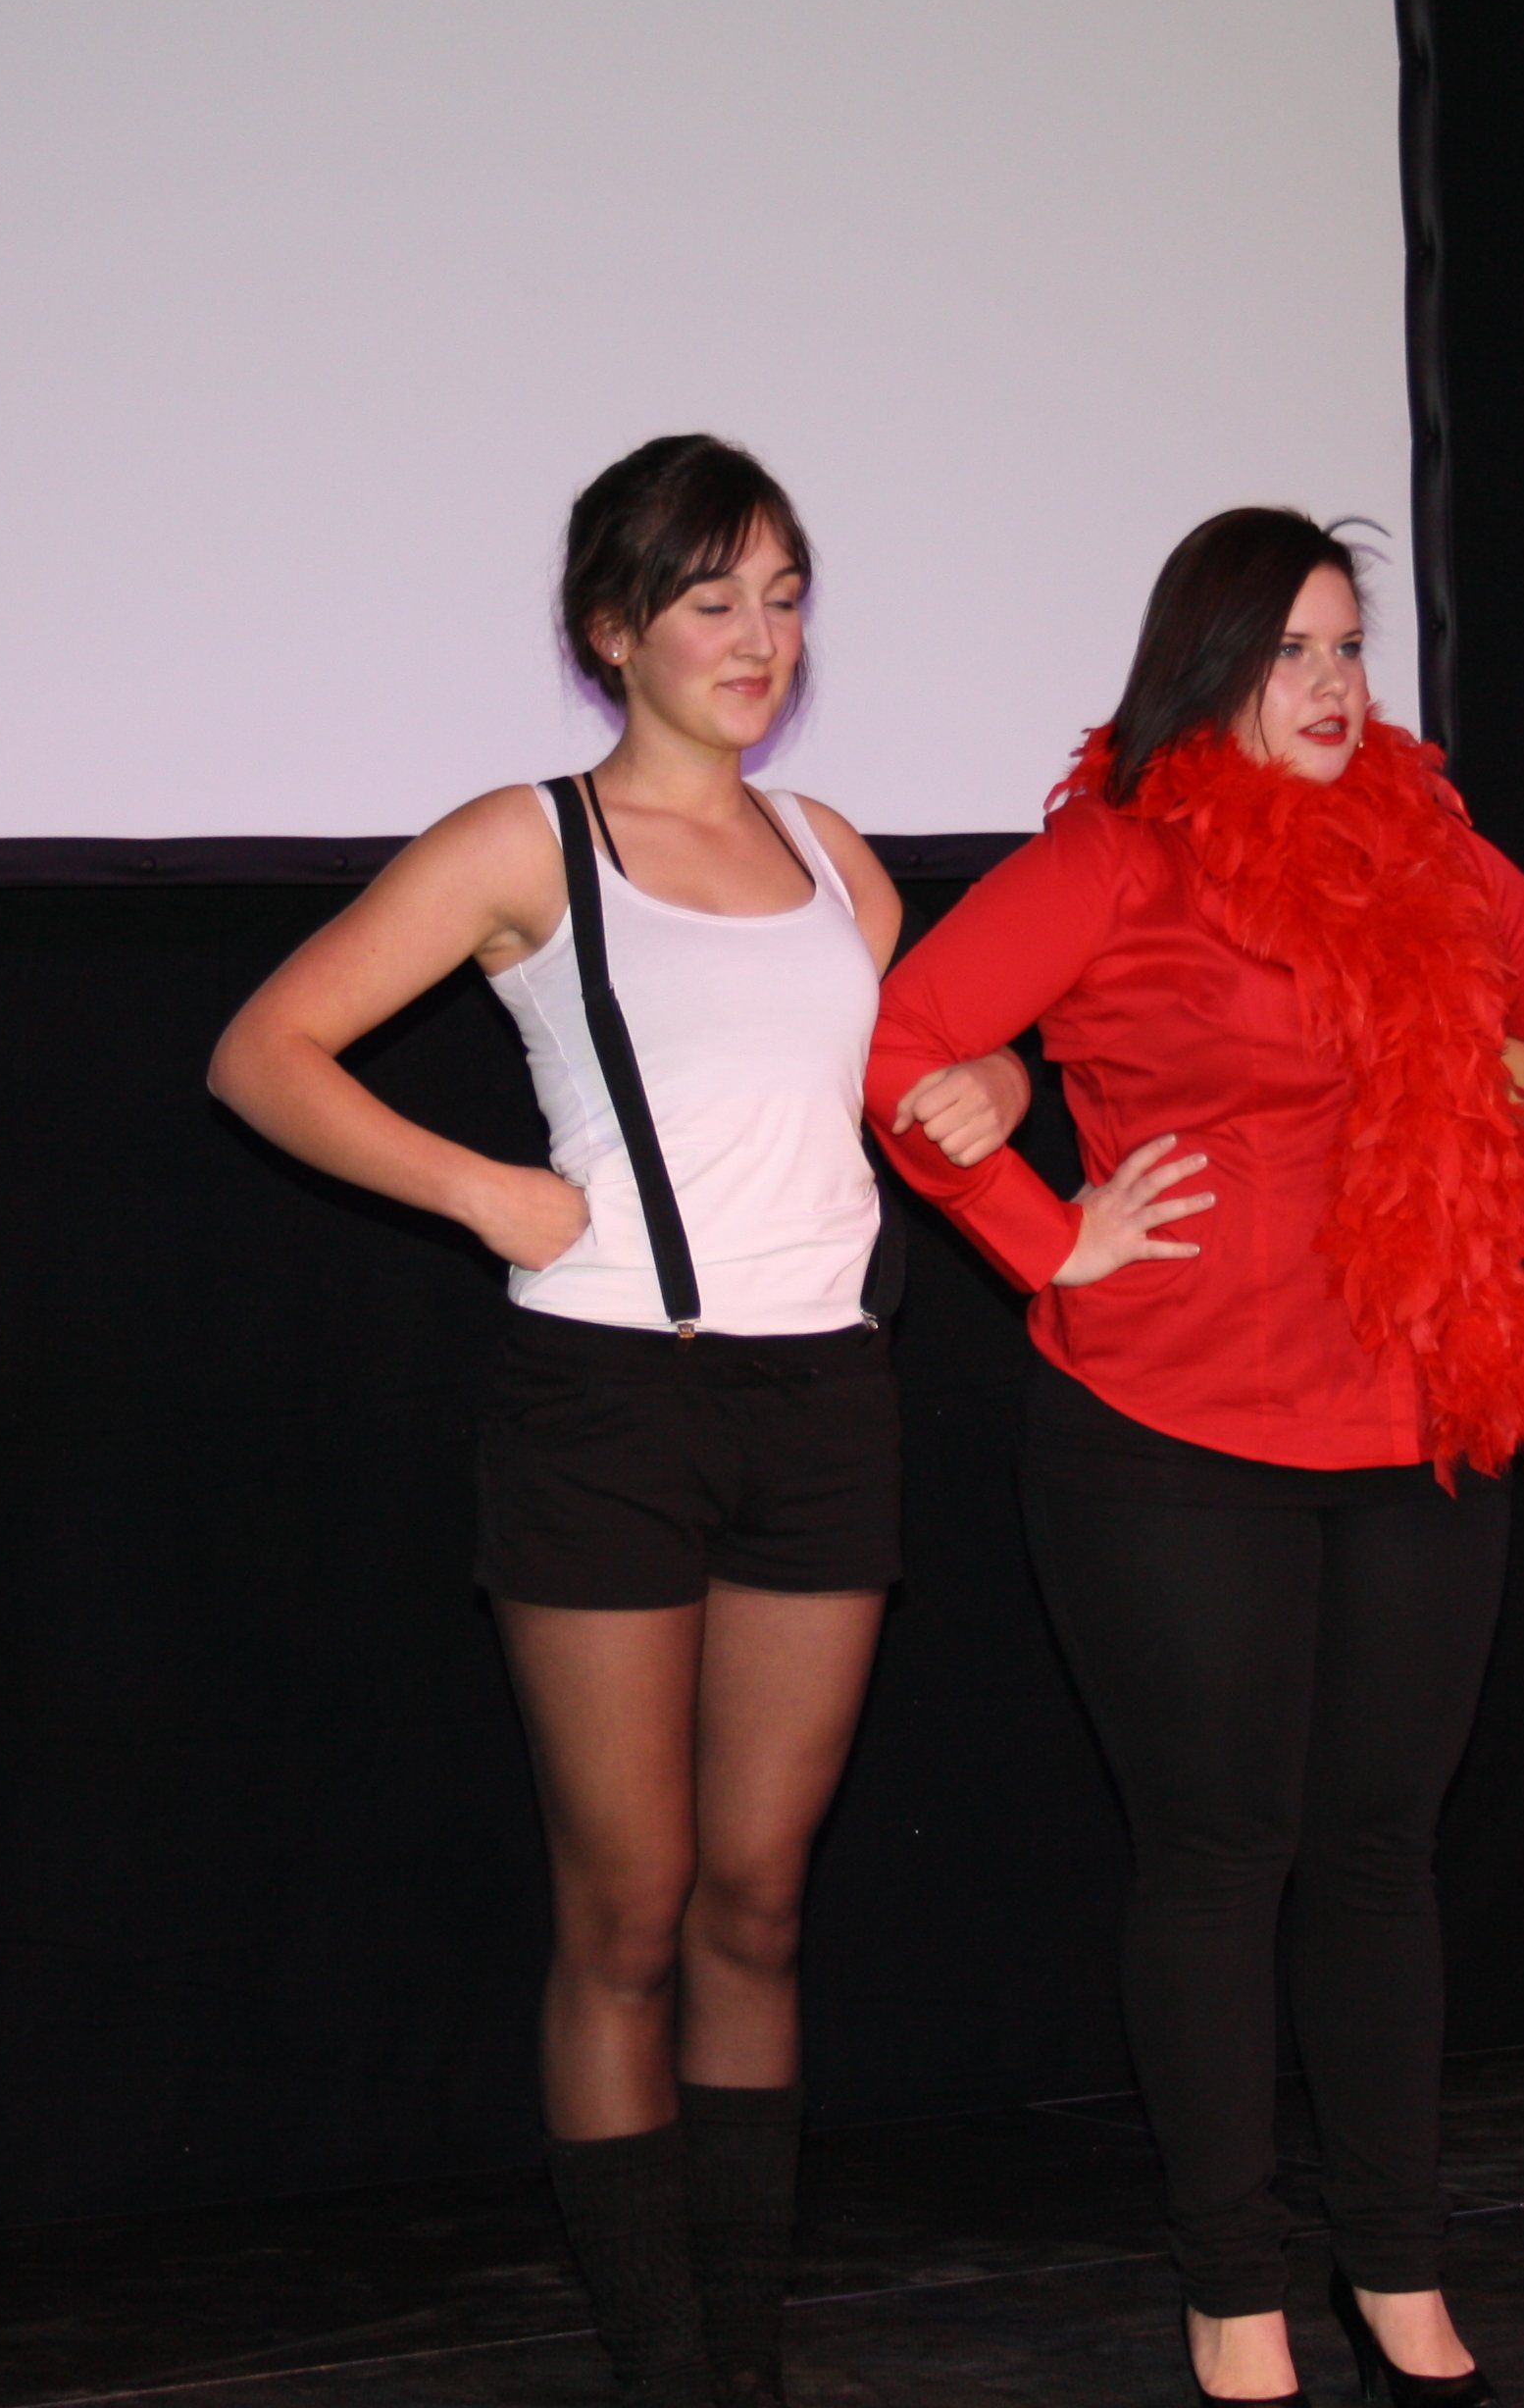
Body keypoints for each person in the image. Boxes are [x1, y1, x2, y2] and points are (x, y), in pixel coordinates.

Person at [206, 435, 1024, 2408]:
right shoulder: (527, 841)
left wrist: (989, 1084)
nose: (759, 637)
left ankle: (745, 2354)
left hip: (825, 1397)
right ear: (610, 631)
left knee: (760, 1900)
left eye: (785, 596)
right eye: (710, 599)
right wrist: (481, 1192)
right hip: (608, 1402)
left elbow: (917, 1070)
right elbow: (263, 1051)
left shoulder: (832, 852)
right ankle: (663, 2362)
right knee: (631, 1912)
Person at [864, 510, 1524, 2408]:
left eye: (1348, 647)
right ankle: (1232, 2291)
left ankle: (1399, 2272)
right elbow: (905, 1044)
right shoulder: (1116, 855)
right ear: (1204, 668)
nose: (1328, 684)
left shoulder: (1440, 855)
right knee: (1222, 1853)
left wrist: (1476, 1209)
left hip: (1415, 1418)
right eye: (1288, 650)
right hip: (1170, 1426)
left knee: (1382, 1854)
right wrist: (1048, 1235)